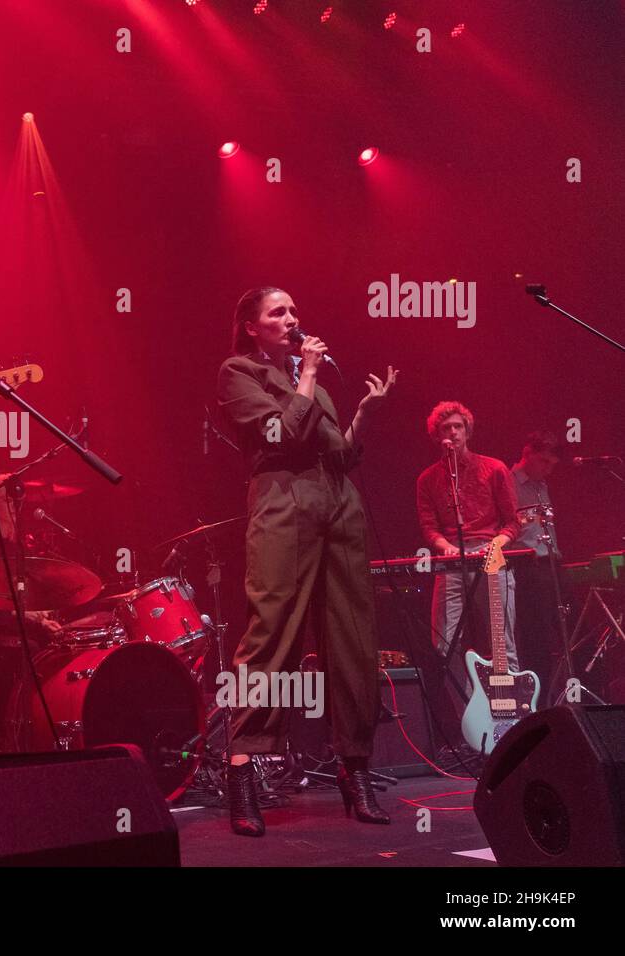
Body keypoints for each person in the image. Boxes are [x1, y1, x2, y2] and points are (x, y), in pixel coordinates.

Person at [216, 287, 396, 836]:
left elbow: (338, 451)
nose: (292, 319)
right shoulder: (238, 371)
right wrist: (309, 376)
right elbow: (281, 432)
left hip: (338, 502)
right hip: (282, 499)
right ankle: (243, 769)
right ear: (251, 325)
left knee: (353, 636)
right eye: (278, 312)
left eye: (294, 310)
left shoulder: (304, 375)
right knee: (271, 630)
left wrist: (363, 413)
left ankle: (355, 768)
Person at [415, 402, 520, 718]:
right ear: (437, 435)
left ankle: (510, 716)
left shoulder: (495, 468)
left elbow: (512, 522)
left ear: (468, 430)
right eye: (446, 428)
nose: (453, 432)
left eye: (458, 426)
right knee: (445, 646)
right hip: (452, 562)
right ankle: (469, 717)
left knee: (502, 642)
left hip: (491, 556)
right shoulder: (428, 479)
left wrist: (496, 544)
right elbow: (429, 526)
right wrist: (444, 545)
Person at [511, 430, 563, 704]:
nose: (548, 469)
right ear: (527, 453)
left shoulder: (542, 485)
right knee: (537, 636)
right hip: (528, 566)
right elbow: (505, 527)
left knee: (572, 630)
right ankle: (539, 702)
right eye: (544, 462)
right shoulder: (508, 482)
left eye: (552, 465)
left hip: (552, 562)